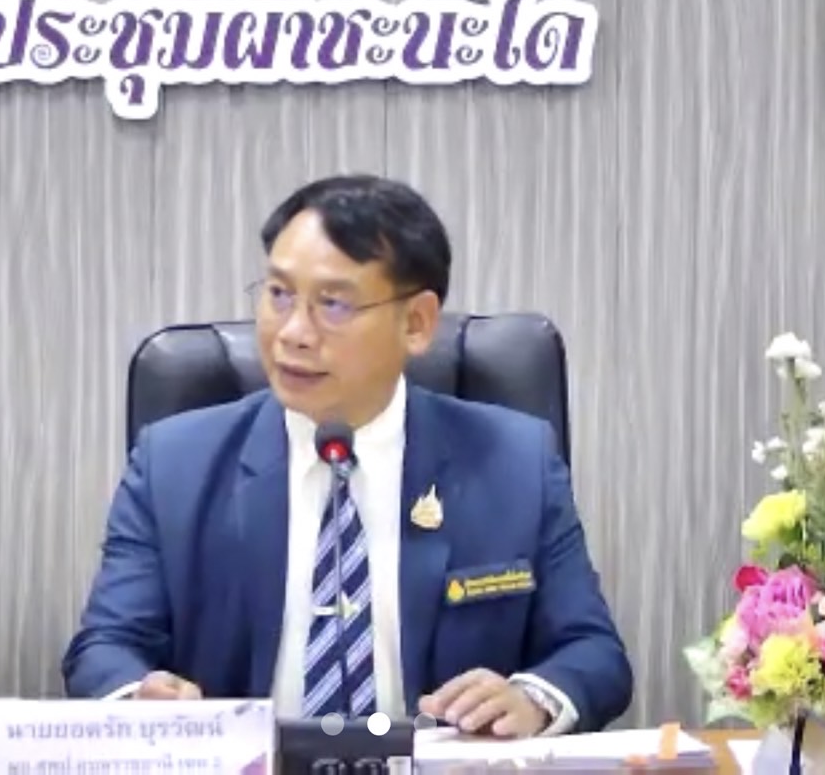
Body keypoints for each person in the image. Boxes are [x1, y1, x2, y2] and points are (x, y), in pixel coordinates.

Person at [61, 174, 633, 738]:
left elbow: (592, 652)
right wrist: (140, 699)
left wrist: (531, 698)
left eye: (333, 304)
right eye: (278, 294)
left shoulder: (515, 462)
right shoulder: (173, 464)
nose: (292, 332)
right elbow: (105, 647)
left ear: (416, 323)